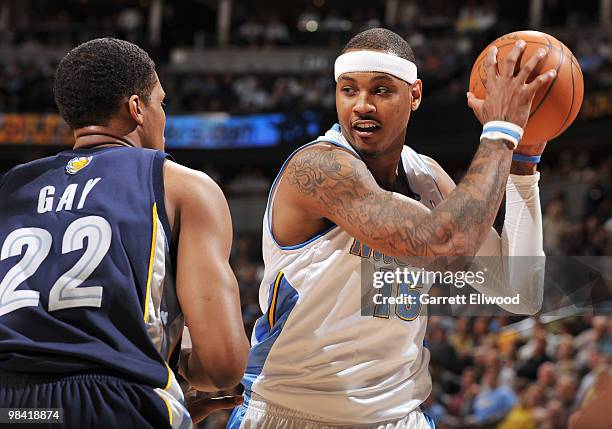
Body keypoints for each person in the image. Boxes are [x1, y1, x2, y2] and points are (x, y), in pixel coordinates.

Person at [227, 28, 555, 429]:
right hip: (292, 413)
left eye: (381, 90)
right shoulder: (319, 168)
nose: (362, 105)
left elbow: (519, 292)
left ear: (415, 95)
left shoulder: (427, 178)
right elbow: (444, 241)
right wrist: (501, 131)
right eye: (348, 90)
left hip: (398, 417)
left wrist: (523, 165)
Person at [0, 38, 249, 428]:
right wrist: (167, 372)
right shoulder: (183, 186)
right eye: (160, 103)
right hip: (115, 401)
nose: (163, 114)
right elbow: (222, 365)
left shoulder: (10, 188)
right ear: (137, 108)